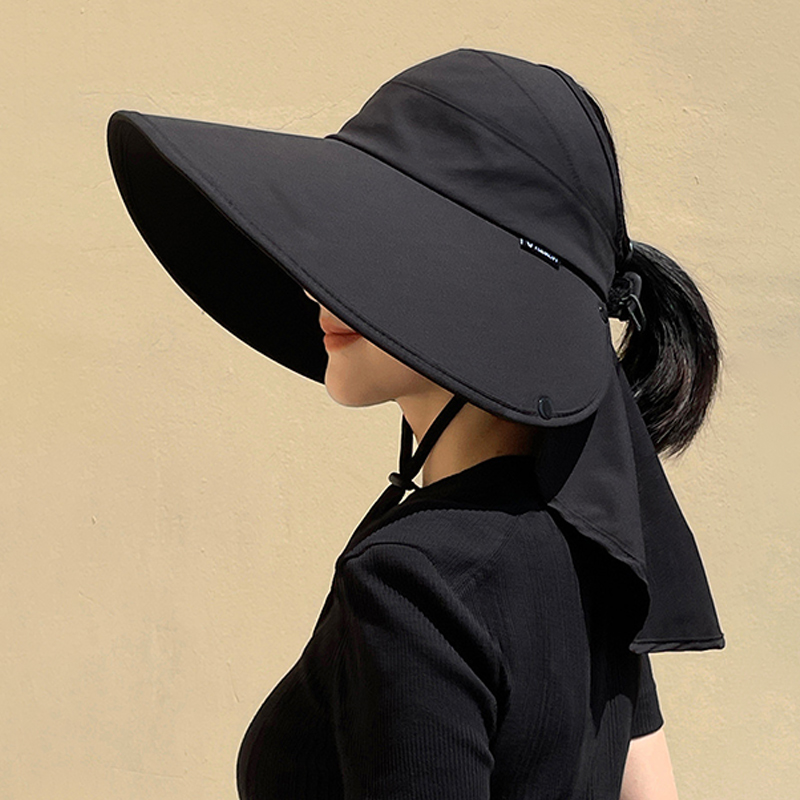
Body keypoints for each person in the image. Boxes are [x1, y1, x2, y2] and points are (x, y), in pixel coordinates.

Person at [107, 48, 725, 799]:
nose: (316, 289)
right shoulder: (598, 545)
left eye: (378, 247)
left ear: (479, 286)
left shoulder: (415, 582)